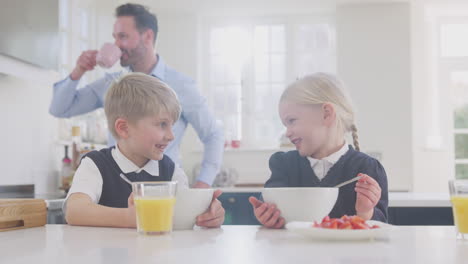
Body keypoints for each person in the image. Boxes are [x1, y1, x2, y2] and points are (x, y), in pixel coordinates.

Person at [49, 3, 223, 188]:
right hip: (116, 187)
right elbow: (60, 108)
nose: (117, 44)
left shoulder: (182, 86)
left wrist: (203, 183)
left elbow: (213, 134)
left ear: (147, 36)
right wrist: (79, 70)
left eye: (123, 36)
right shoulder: (111, 85)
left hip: (166, 189)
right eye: (115, 37)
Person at [65, 73, 225, 228]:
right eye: (162, 124)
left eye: (172, 125)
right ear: (124, 128)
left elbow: (184, 216)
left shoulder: (171, 171)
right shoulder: (96, 165)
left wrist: (210, 215)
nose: (171, 136)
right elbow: (74, 211)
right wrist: (130, 218)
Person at [249, 73, 388, 228]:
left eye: (292, 121)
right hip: (294, 251)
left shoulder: (367, 169)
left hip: (348, 253)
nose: (287, 133)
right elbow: (270, 204)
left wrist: (365, 212)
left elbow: (379, 227)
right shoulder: (284, 165)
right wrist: (267, 215)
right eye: (285, 125)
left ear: (326, 114)